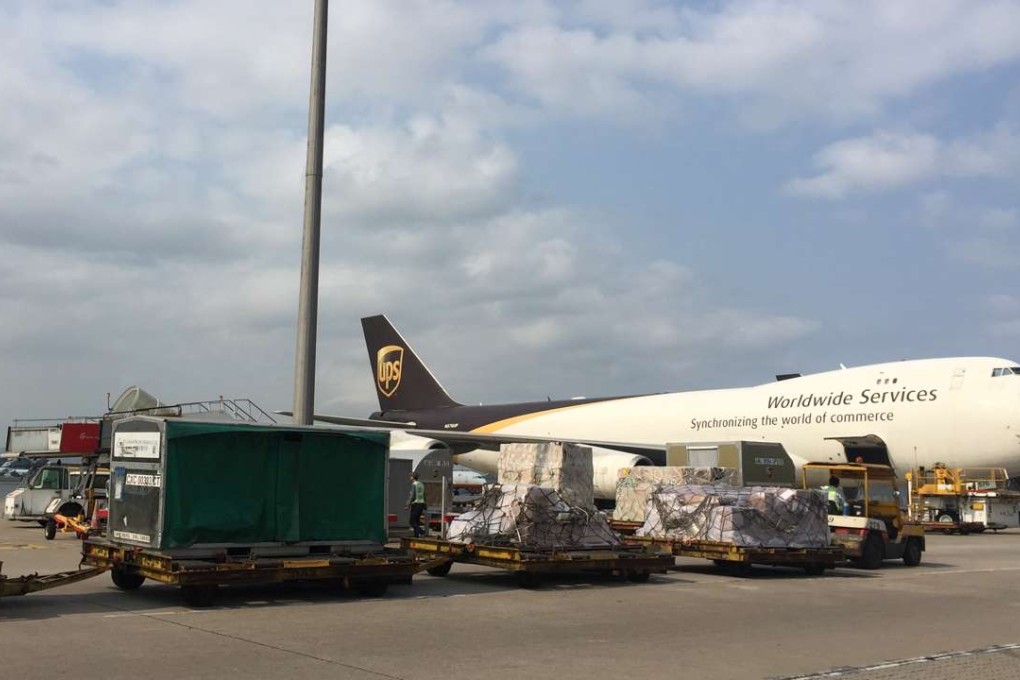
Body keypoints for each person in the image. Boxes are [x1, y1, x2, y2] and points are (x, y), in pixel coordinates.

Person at [406, 472, 427, 537]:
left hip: (416, 504)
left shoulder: (414, 484)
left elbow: (412, 496)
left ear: (413, 477)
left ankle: (422, 532)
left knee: (412, 521)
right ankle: (416, 535)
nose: (410, 477)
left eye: (410, 476)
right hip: (421, 504)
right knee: (417, 521)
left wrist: (408, 504)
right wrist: (425, 505)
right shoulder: (421, 484)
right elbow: (424, 495)